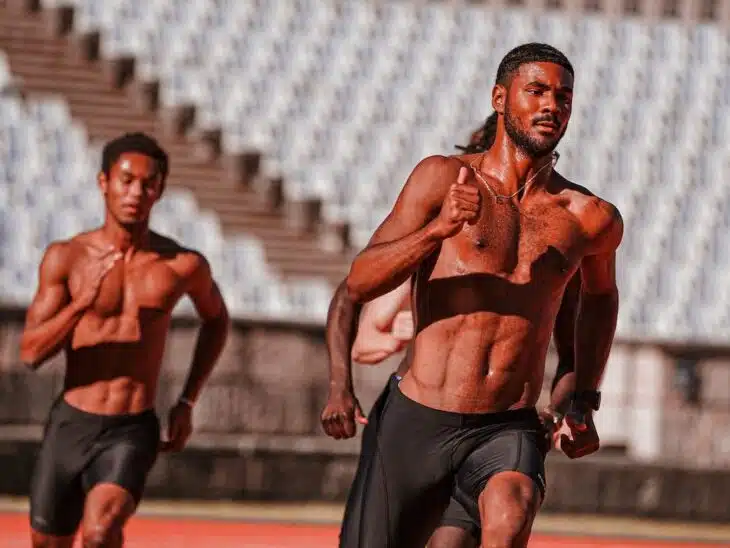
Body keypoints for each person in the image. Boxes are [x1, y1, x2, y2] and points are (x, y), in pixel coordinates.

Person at [343, 42, 623, 548]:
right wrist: (437, 230)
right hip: (418, 418)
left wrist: (584, 400)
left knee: (510, 515)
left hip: (507, 426)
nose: (551, 105)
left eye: (563, 97)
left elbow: (601, 299)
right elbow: (360, 281)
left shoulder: (589, 217)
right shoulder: (441, 178)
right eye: (536, 91)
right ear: (499, 98)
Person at [322, 116, 583, 548]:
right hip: (420, 416)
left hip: (500, 426)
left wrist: (562, 410)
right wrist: (341, 385)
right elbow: (354, 299)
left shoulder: (551, 237)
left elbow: (575, 342)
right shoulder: (441, 215)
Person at [19, 132, 230, 548]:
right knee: (47, 543)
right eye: (126, 180)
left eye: (148, 184)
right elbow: (30, 352)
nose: (136, 193)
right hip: (71, 423)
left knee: (100, 534)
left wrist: (187, 400)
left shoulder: (182, 265)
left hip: (131, 427)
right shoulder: (66, 257)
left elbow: (217, 320)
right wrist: (80, 305)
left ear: (160, 191)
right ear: (104, 182)